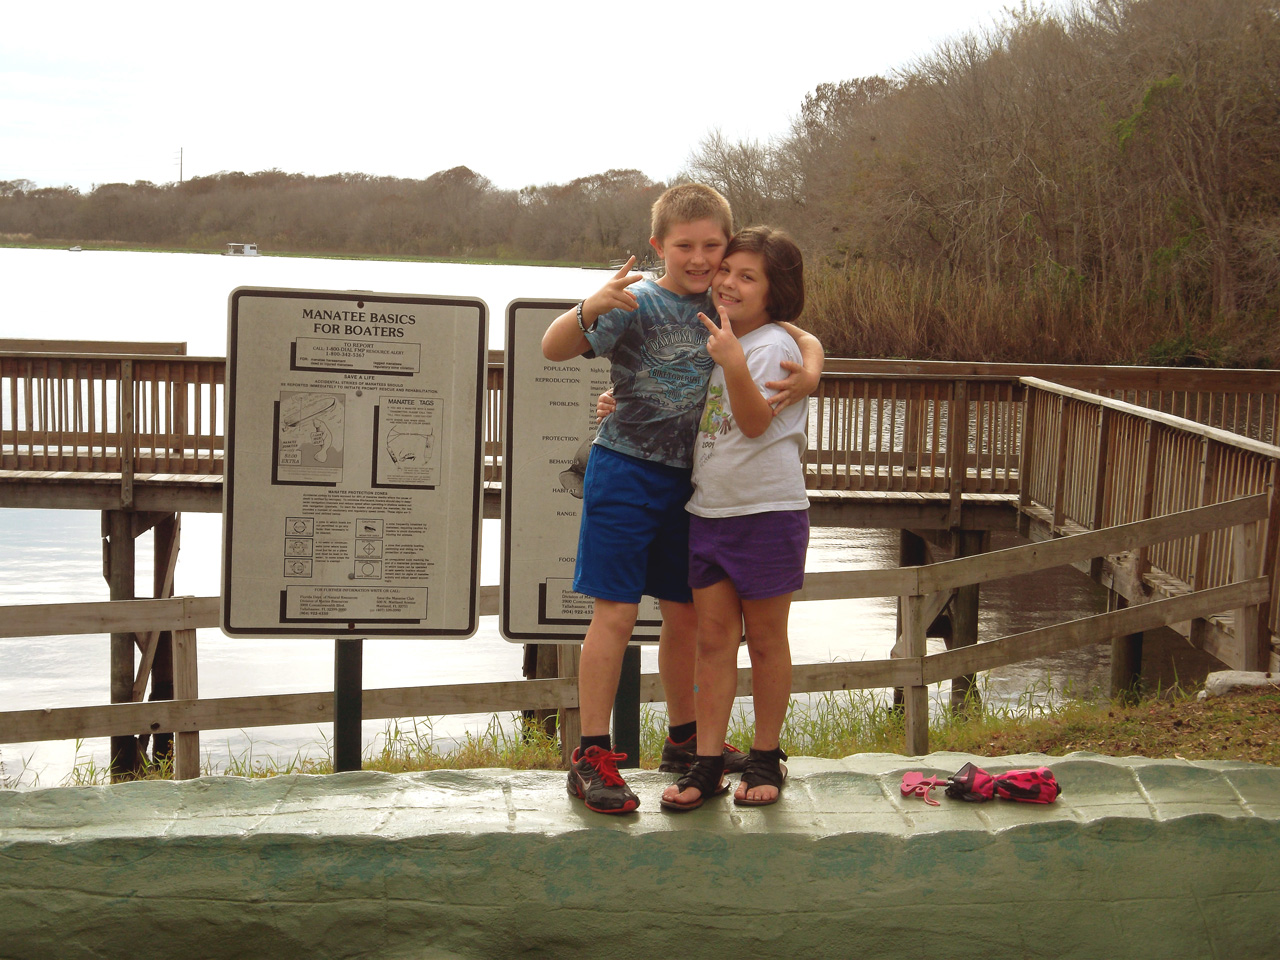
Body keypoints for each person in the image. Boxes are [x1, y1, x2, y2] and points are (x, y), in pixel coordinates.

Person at [541, 184, 823, 815]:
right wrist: (588, 308)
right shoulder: (635, 301)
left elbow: (790, 325)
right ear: (657, 246)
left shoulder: (727, 309)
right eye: (685, 247)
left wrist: (813, 361)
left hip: (691, 488)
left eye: (713, 249)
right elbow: (554, 348)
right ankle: (591, 755)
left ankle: (686, 740)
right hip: (625, 473)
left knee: (686, 619)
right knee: (613, 614)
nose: (701, 261)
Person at [659, 226, 810, 812]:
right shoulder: (720, 338)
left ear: (776, 292)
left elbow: (751, 422)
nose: (728, 282)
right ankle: (709, 760)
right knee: (714, 640)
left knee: (767, 641)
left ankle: (766, 755)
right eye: (728, 271)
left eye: (748, 277)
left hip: (768, 513)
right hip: (710, 511)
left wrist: (733, 363)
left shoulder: (774, 347)